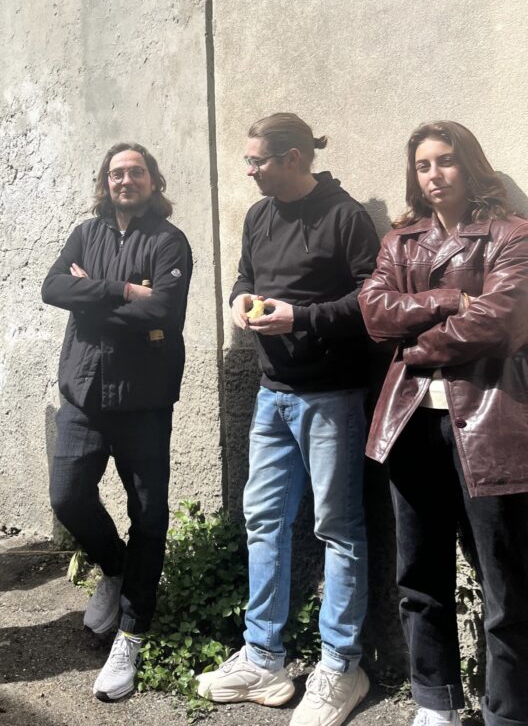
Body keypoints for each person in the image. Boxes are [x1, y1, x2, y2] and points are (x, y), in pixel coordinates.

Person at [197, 113, 379, 726]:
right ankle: (263, 657)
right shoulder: (258, 215)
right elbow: (246, 276)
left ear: (295, 157)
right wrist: (240, 301)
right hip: (272, 393)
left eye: (257, 161)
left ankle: (340, 665)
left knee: (337, 526)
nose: (248, 170)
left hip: (332, 396)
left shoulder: (346, 217)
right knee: (264, 520)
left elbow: (370, 301)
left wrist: (299, 320)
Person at [359, 121, 528, 726]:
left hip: (490, 426)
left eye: (446, 161)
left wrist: (417, 344)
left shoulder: (513, 235)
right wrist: (447, 301)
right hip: (410, 427)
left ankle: (509, 711)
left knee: (504, 585)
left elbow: (502, 325)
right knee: (419, 574)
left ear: (470, 164)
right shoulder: (399, 242)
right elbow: (375, 315)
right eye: (423, 165)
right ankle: (436, 705)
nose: (434, 175)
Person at [42, 143, 192, 702]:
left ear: (154, 180)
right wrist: (121, 289)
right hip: (83, 394)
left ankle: (131, 634)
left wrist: (88, 298)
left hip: (144, 401)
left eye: (136, 172)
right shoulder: (86, 233)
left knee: (149, 514)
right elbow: (53, 287)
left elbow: (164, 312)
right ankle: (115, 568)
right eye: (116, 173)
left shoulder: (169, 240)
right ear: (104, 182)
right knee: (67, 497)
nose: (125, 180)